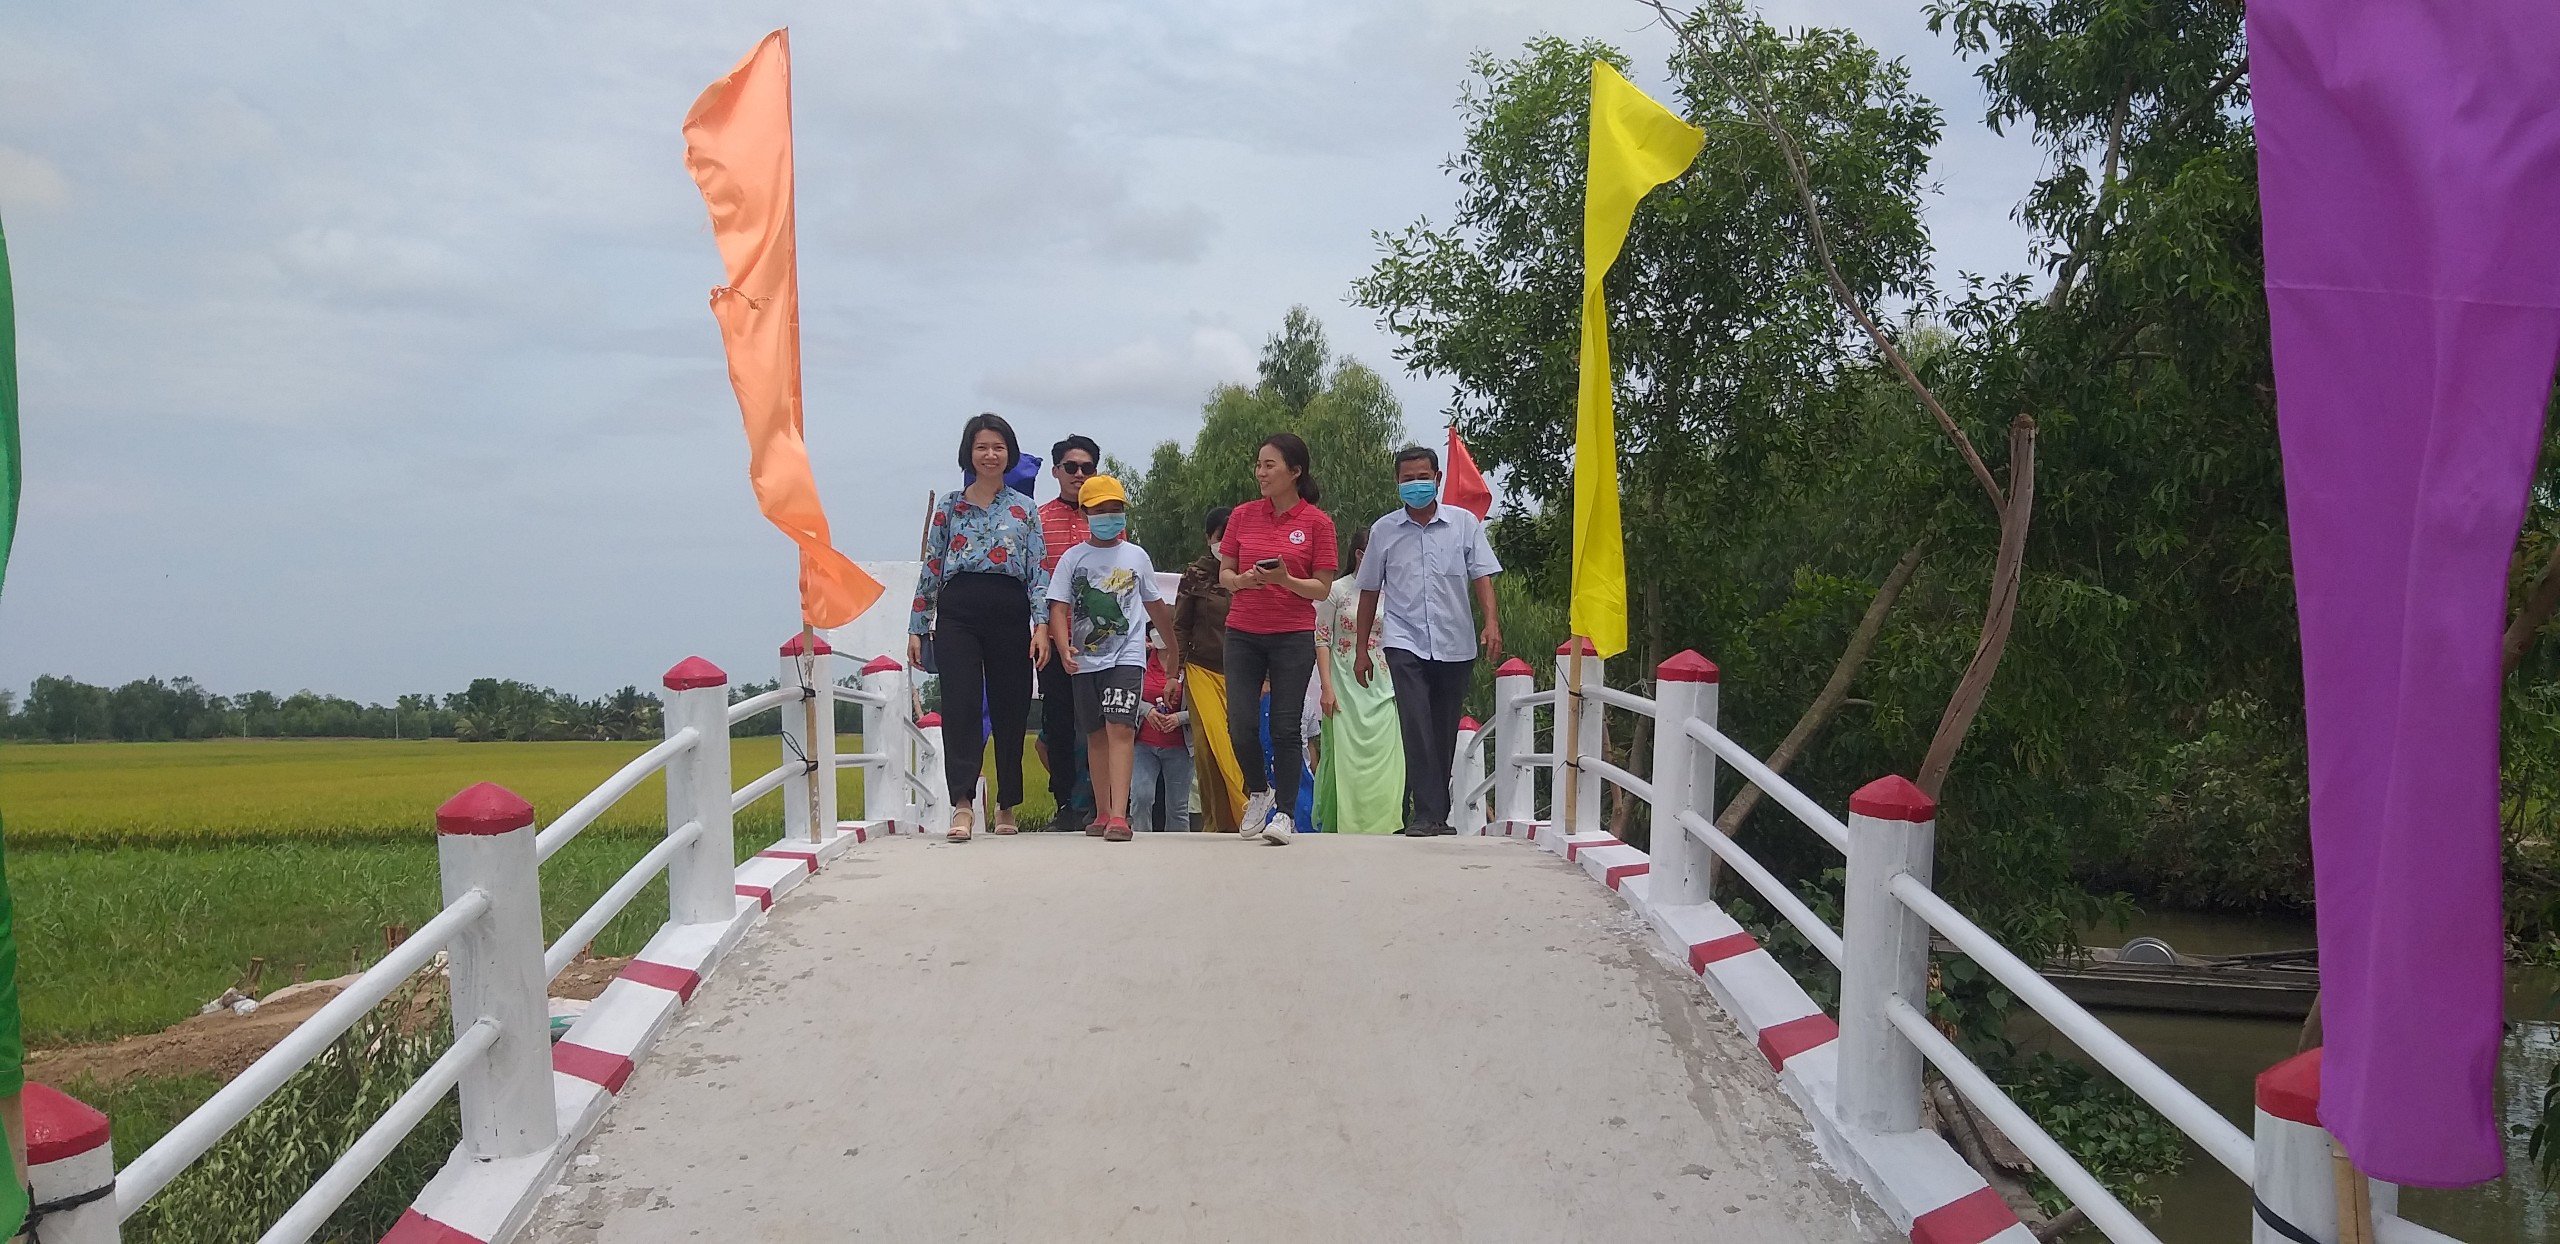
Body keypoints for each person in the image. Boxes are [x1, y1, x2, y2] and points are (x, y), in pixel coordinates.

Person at [909, 413, 1052, 841]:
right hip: (958, 613)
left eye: (998, 447)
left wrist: (1041, 626)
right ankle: (963, 804)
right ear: (968, 453)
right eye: (982, 447)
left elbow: (1038, 571)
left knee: (1011, 706)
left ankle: (1007, 804)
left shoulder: (1024, 509)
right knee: (961, 706)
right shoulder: (950, 506)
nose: (990, 455)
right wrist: (918, 625)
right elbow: (932, 567)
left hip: (1009, 612)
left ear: (1009, 453)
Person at [1356, 445, 1503, 836]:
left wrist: (1491, 623)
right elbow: (1369, 589)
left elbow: (1482, 576)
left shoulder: (1463, 524)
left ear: (1437, 479)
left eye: (1423, 477)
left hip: (1455, 642)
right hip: (1403, 640)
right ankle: (1424, 813)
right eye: (1408, 479)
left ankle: (1437, 816)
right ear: (1396, 483)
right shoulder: (1384, 531)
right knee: (1416, 722)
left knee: (1442, 728)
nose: (1416, 485)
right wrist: (1361, 650)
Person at [1045, 474, 1179, 842]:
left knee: (1121, 728)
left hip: (1127, 657)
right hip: (1086, 661)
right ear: (1085, 513)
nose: (1109, 516)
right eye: (1100, 510)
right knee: (1095, 733)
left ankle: (1120, 815)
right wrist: (1062, 646)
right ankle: (1102, 810)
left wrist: (1173, 648)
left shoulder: (1136, 556)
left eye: (1115, 509)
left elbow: (1155, 604)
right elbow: (1058, 608)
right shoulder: (1073, 558)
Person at [1219, 432, 1337, 845]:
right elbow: (1225, 575)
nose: (1261, 472)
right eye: (1259, 464)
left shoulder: (1318, 523)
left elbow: (1322, 588)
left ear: (1295, 471)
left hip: (1292, 634)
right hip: (1243, 631)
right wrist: (1244, 580)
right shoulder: (1242, 516)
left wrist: (1286, 579)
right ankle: (1259, 790)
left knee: (1286, 727)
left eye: (1270, 465)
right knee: (1240, 723)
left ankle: (1285, 813)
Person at [1314, 526, 1405, 834]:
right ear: (1359, 555)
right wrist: (1327, 687)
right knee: (1348, 759)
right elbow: (1322, 639)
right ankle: (1348, 826)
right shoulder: (1336, 591)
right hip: (1344, 684)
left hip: (1384, 683)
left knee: (1386, 758)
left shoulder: (1393, 592)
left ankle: (1385, 826)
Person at [1037, 434, 1101, 831]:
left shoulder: (1107, 520)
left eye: (1087, 467)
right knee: (1059, 724)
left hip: (1100, 640)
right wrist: (1040, 629)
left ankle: (1099, 804)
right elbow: (1033, 581)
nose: (1079, 474)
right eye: (1071, 467)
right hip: (1052, 638)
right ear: (1056, 471)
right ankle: (1065, 805)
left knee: (1099, 722)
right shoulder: (1038, 519)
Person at [1173, 505, 1244, 832]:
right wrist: (1174, 673)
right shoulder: (1195, 575)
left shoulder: (1250, 574)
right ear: (1208, 538)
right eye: (1220, 537)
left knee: (1238, 745)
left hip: (1242, 673)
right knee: (1208, 748)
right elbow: (1180, 627)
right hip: (1201, 670)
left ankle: (1244, 816)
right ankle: (1216, 823)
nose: (1226, 543)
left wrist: (1267, 677)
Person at [1130, 636, 1193, 831]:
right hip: (1143, 746)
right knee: (1140, 798)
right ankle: (1140, 841)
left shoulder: (1190, 665)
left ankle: (1178, 847)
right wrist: (1147, 710)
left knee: (1177, 807)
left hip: (1180, 748)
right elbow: (1128, 695)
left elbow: (1205, 706)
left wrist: (1179, 718)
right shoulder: (1141, 659)